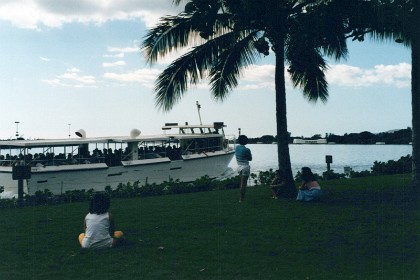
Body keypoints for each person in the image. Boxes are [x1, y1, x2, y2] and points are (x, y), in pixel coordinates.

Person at [235, 135, 252, 202]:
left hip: (239, 167)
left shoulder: (237, 147)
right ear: (244, 140)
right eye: (246, 139)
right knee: (243, 184)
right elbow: (250, 159)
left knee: (241, 183)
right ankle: (241, 199)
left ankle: (241, 198)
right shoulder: (247, 149)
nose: (247, 140)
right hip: (245, 167)